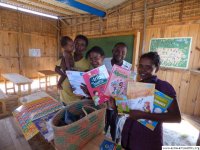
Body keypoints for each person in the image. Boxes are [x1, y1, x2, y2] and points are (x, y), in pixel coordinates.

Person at [121, 52, 181, 150]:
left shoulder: (164, 87)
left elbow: (176, 118)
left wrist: (143, 115)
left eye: (148, 67)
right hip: (129, 136)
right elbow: (127, 111)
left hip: (148, 141)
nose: (142, 70)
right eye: (140, 66)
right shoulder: (134, 86)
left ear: (156, 68)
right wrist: (115, 106)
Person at [103, 42, 132, 142]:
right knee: (104, 123)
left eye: (123, 52)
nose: (120, 53)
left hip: (118, 100)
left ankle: (115, 142)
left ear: (126, 54)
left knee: (115, 124)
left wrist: (122, 106)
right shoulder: (104, 61)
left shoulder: (128, 67)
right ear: (112, 51)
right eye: (117, 50)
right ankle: (101, 141)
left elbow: (127, 86)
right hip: (105, 100)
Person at [55, 35, 90, 104]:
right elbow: (56, 69)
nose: (78, 46)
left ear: (85, 48)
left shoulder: (87, 63)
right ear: (73, 44)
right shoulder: (66, 55)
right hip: (63, 96)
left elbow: (85, 82)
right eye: (76, 43)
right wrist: (65, 74)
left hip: (76, 100)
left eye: (82, 45)